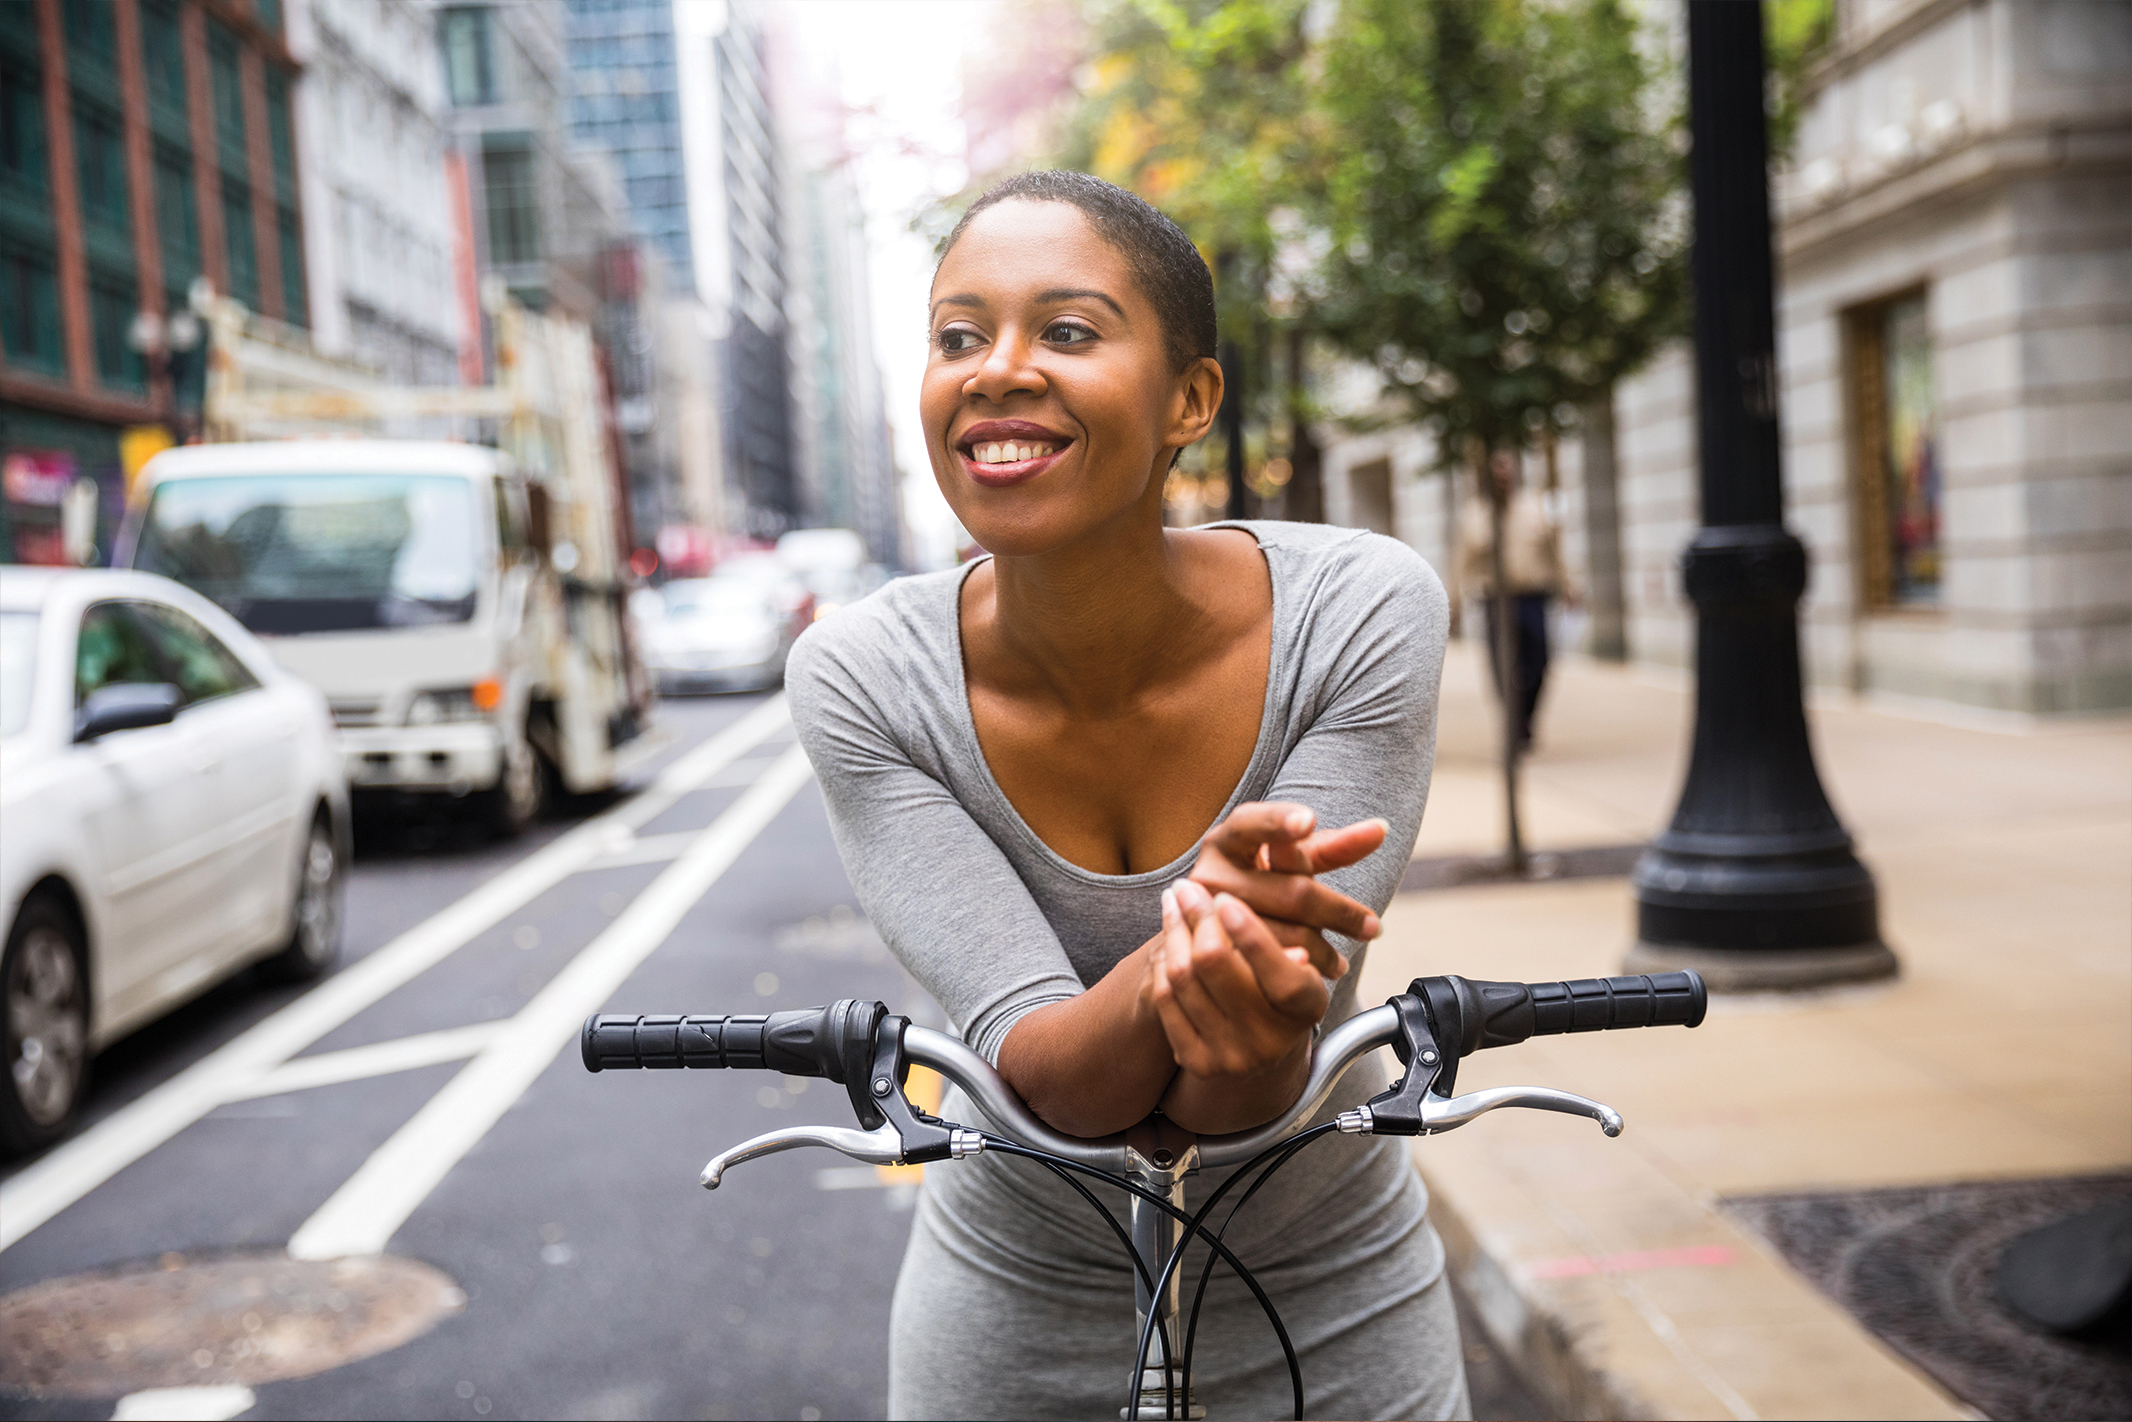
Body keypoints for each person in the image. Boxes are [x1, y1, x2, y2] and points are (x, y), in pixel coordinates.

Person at [787, 170, 1465, 1421]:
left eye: (1065, 330)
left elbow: (1246, 1090)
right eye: (955, 336)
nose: (995, 369)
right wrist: (1197, 940)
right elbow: (1057, 1081)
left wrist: (1236, 984)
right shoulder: (861, 676)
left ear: (1188, 400)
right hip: (1013, 1301)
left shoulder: (1363, 610)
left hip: (1333, 1287)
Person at [1455, 452, 1571, 752]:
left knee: (1540, 661)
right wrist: (1452, 602)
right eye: (1497, 467)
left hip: (1533, 596)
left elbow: (1555, 552)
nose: (1503, 474)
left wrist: (1569, 584)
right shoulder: (1475, 513)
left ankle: (1527, 718)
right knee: (1500, 665)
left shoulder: (1535, 507)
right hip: (1495, 599)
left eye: (1507, 466)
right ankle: (1513, 724)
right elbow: (1461, 561)